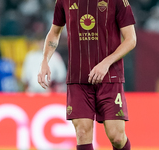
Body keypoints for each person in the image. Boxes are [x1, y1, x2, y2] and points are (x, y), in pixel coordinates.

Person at [38, 0, 136, 149]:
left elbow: (131, 39)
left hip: (109, 77)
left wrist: (105, 63)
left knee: (116, 136)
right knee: (83, 133)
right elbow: (54, 32)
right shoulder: (64, 1)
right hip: (78, 79)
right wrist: (45, 60)